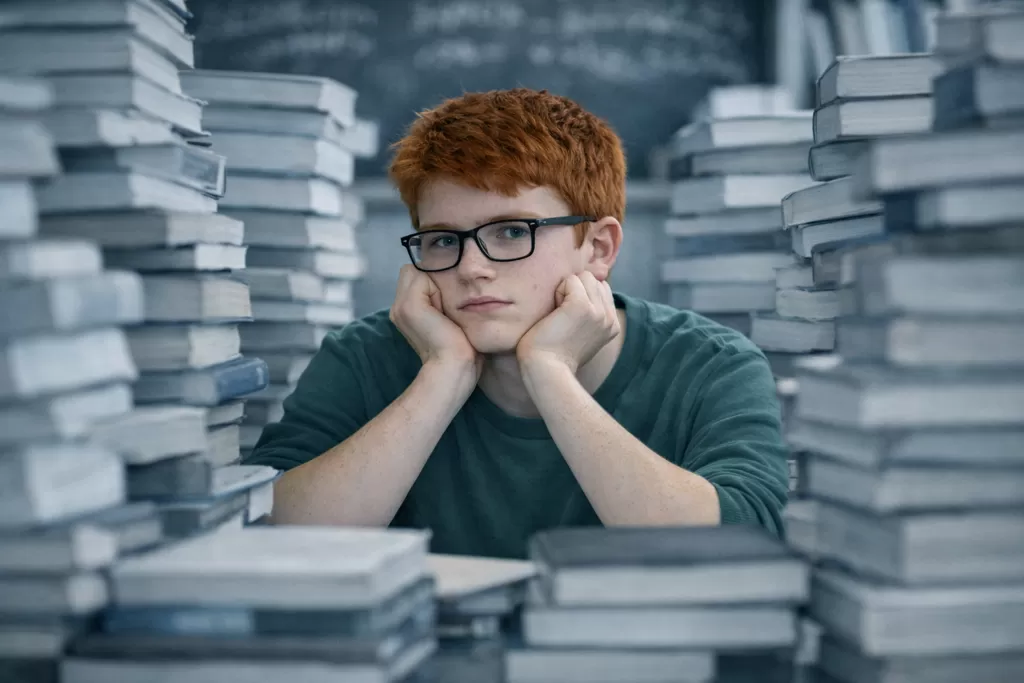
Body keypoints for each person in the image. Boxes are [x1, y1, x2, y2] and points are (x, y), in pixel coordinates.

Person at [245, 88, 789, 559]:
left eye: (511, 232)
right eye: (442, 240)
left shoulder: (713, 365)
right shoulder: (362, 356)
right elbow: (269, 535)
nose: (470, 267)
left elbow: (740, 550)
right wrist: (443, 371)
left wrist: (550, 372)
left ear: (599, 247)